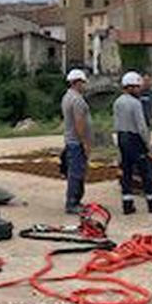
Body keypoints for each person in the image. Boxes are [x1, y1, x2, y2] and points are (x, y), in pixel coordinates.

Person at [114, 71, 152, 215]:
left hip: (122, 138)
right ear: (130, 87)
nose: (139, 89)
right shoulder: (135, 103)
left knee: (126, 172)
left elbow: (116, 123)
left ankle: (127, 205)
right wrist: (147, 145)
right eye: (137, 87)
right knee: (145, 171)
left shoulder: (117, 102)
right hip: (135, 139)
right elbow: (141, 126)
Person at [61, 68, 93, 215]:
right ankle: (72, 203)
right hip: (76, 142)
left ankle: (75, 201)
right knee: (76, 173)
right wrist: (85, 142)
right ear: (77, 82)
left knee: (75, 172)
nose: (85, 85)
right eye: (83, 82)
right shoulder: (77, 100)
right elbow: (79, 123)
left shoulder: (67, 97)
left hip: (70, 140)